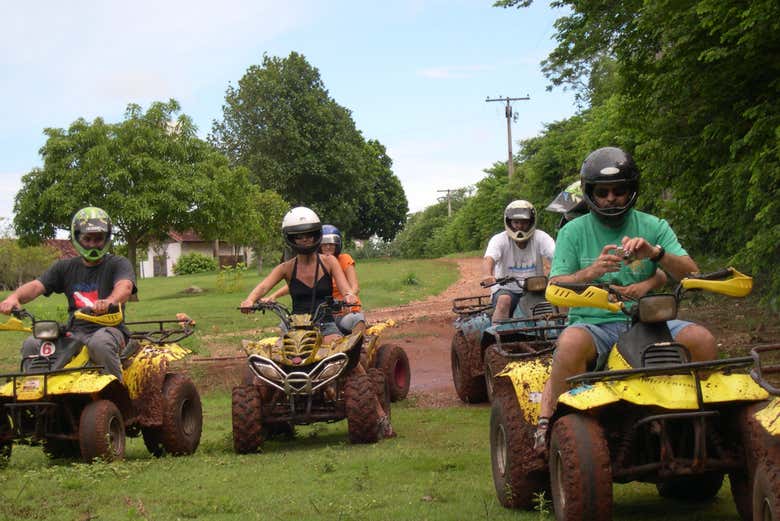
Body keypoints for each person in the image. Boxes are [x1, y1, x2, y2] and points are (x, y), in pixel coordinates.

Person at [533, 146, 716, 452]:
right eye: (602, 192)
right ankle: (556, 429)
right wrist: (590, 272)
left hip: (649, 322)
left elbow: (691, 273)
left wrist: (654, 253)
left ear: (631, 190)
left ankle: (698, 425)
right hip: (593, 325)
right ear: (590, 193)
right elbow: (555, 287)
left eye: (619, 190)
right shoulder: (573, 232)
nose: (610, 198)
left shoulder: (654, 226)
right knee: (569, 344)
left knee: (702, 339)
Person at [240, 207, 395, 438]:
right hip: (293, 328)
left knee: (352, 363)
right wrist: (250, 299)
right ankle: (259, 417)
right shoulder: (286, 267)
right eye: (298, 236)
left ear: (316, 236)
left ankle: (380, 417)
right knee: (268, 369)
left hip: (326, 325)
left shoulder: (329, 262)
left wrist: (349, 297)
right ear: (291, 239)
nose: (304, 240)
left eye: (309, 235)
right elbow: (264, 286)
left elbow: (344, 288)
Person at [0, 207, 137, 381]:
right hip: (74, 331)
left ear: (107, 239)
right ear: (76, 238)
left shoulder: (118, 263)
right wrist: (14, 297)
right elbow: (36, 286)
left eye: (98, 239)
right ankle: (36, 391)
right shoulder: (64, 267)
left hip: (110, 330)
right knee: (32, 344)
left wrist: (109, 301)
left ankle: (117, 395)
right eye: (87, 239)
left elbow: (124, 286)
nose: (93, 244)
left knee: (100, 343)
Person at [269, 224, 366, 335]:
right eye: (324, 245)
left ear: (337, 245)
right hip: (319, 315)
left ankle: (358, 348)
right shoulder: (314, 263)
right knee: (285, 326)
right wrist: (274, 296)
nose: (328, 247)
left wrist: (349, 297)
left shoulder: (344, 259)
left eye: (331, 244)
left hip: (343, 312)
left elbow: (354, 287)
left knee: (357, 320)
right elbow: (298, 285)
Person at [481, 200, 556, 323]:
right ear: (509, 222)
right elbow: (489, 258)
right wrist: (487, 274)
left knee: (551, 306)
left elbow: (555, 255)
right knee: (504, 300)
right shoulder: (499, 239)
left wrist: (561, 271)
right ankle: (496, 335)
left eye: (524, 222)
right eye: (516, 222)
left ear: (531, 222)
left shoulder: (540, 237)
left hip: (535, 289)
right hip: (506, 289)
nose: (520, 226)